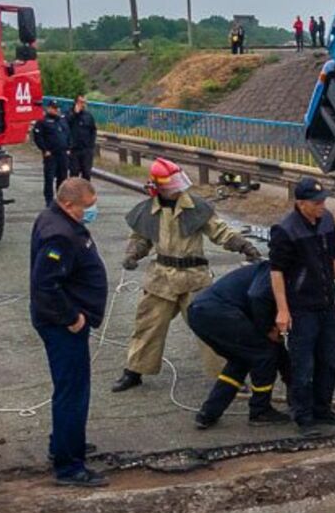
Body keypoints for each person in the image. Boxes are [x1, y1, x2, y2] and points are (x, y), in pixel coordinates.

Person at [109, 158, 263, 392]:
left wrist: (244, 246)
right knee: (148, 325)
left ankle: (228, 376)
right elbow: (140, 238)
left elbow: (220, 231)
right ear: (159, 186)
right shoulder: (149, 210)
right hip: (161, 279)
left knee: (211, 328)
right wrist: (133, 255)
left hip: (194, 278)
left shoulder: (196, 208)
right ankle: (134, 371)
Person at [270, 177, 335, 433]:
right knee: (303, 365)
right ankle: (303, 416)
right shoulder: (286, 230)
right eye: (316, 203)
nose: (322, 205)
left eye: (323, 200)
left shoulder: (325, 221)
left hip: (326, 303)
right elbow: (276, 272)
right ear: (301, 203)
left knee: (329, 361)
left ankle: (323, 408)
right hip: (301, 307)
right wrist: (282, 309)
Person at [29, 177, 109, 488]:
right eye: (87, 207)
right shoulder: (60, 234)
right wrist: (71, 316)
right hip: (62, 324)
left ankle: (65, 443)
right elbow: (45, 284)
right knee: (73, 391)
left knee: (71, 387)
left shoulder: (57, 220)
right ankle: (69, 465)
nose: (92, 211)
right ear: (68, 204)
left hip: (64, 319)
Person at [185, 260, 293, 428]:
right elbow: (256, 295)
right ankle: (260, 410)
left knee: (241, 360)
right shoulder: (277, 269)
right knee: (264, 354)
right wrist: (266, 329)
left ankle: (208, 413)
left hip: (201, 312)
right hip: (218, 312)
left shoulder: (275, 273)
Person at [30, 101, 70, 205]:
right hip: (51, 154)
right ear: (48, 108)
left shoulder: (62, 120)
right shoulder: (43, 121)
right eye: (53, 108)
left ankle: (61, 199)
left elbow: (68, 134)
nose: (56, 110)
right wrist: (44, 150)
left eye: (57, 108)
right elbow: (38, 137)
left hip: (62, 153)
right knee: (49, 178)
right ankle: (49, 200)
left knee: (63, 178)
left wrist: (69, 148)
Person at [67, 95, 99, 177]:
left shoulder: (88, 116)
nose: (83, 104)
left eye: (84, 102)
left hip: (86, 150)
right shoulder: (69, 113)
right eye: (81, 102)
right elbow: (66, 125)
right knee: (74, 172)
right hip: (74, 149)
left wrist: (91, 145)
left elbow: (93, 130)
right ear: (76, 103)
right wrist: (75, 114)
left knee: (87, 173)